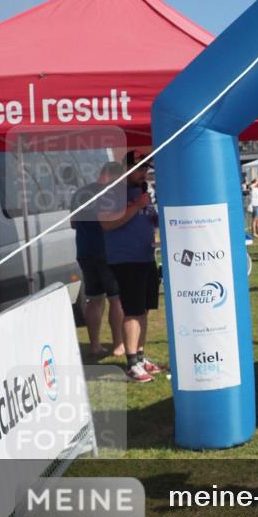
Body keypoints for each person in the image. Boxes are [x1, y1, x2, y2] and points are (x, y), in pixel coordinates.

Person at [96, 150, 165, 383]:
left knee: (143, 309)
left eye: (146, 168)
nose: (143, 173)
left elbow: (151, 220)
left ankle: (141, 356)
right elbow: (106, 223)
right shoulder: (112, 192)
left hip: (146, 256)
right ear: (125, 168)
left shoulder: (143, 191)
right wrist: (136, 206)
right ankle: (132, 362)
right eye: (139, 168)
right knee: (133, 311)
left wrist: (159, 217)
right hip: (125, 260)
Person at [70, 162, 125, 360]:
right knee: (116, 298)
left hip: (85, 250)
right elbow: (115, 221)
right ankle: (119, 344)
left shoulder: (80, 193)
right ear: (109, 174)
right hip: (107, 251)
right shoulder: (112, 194)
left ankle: (95, 345)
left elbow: (73, 223)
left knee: (94, 299)